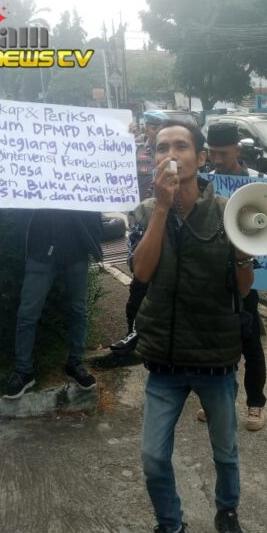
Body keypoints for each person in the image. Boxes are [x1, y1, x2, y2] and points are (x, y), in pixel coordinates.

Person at [124, 119, 253, 533]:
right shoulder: (144, 212)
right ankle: (170, 528)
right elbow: (142, 272)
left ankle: (227, 513)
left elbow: (242, 288)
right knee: (152, 455)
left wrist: (245, 249)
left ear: (200, 158)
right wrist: (162, 209)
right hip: (164, 359)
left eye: (180, 146)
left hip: (215, 356)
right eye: (161, 147)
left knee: (225, 451)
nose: (170, 154)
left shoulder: (227, 211)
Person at [0, 105, 102, 399]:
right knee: (28, 312)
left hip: (75, 248)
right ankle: (24, 371)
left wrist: (125, 135)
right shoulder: (27, 162)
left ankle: (75, 362)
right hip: (40, 249)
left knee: (78, 310)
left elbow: (107, 156)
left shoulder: (81, 163)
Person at [195, 122, 267, 431]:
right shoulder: (203, 182)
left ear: (238, 149)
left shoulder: (261, 182)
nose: (217, 160)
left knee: (250, 343)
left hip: (245, 274)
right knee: (215, 343)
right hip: (213, 275)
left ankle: (255, 404)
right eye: (212, 153)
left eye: (223, 153)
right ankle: (217, 400)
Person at [110, 110, 168, 356]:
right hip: (141, 223)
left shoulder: (173, 154)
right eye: (152, 127)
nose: (155, 132)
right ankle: (133, 332)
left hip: (167, 224)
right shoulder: (135, 150)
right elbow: (113, 165)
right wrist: (122, 138)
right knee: (139, 282)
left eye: (159, 127)